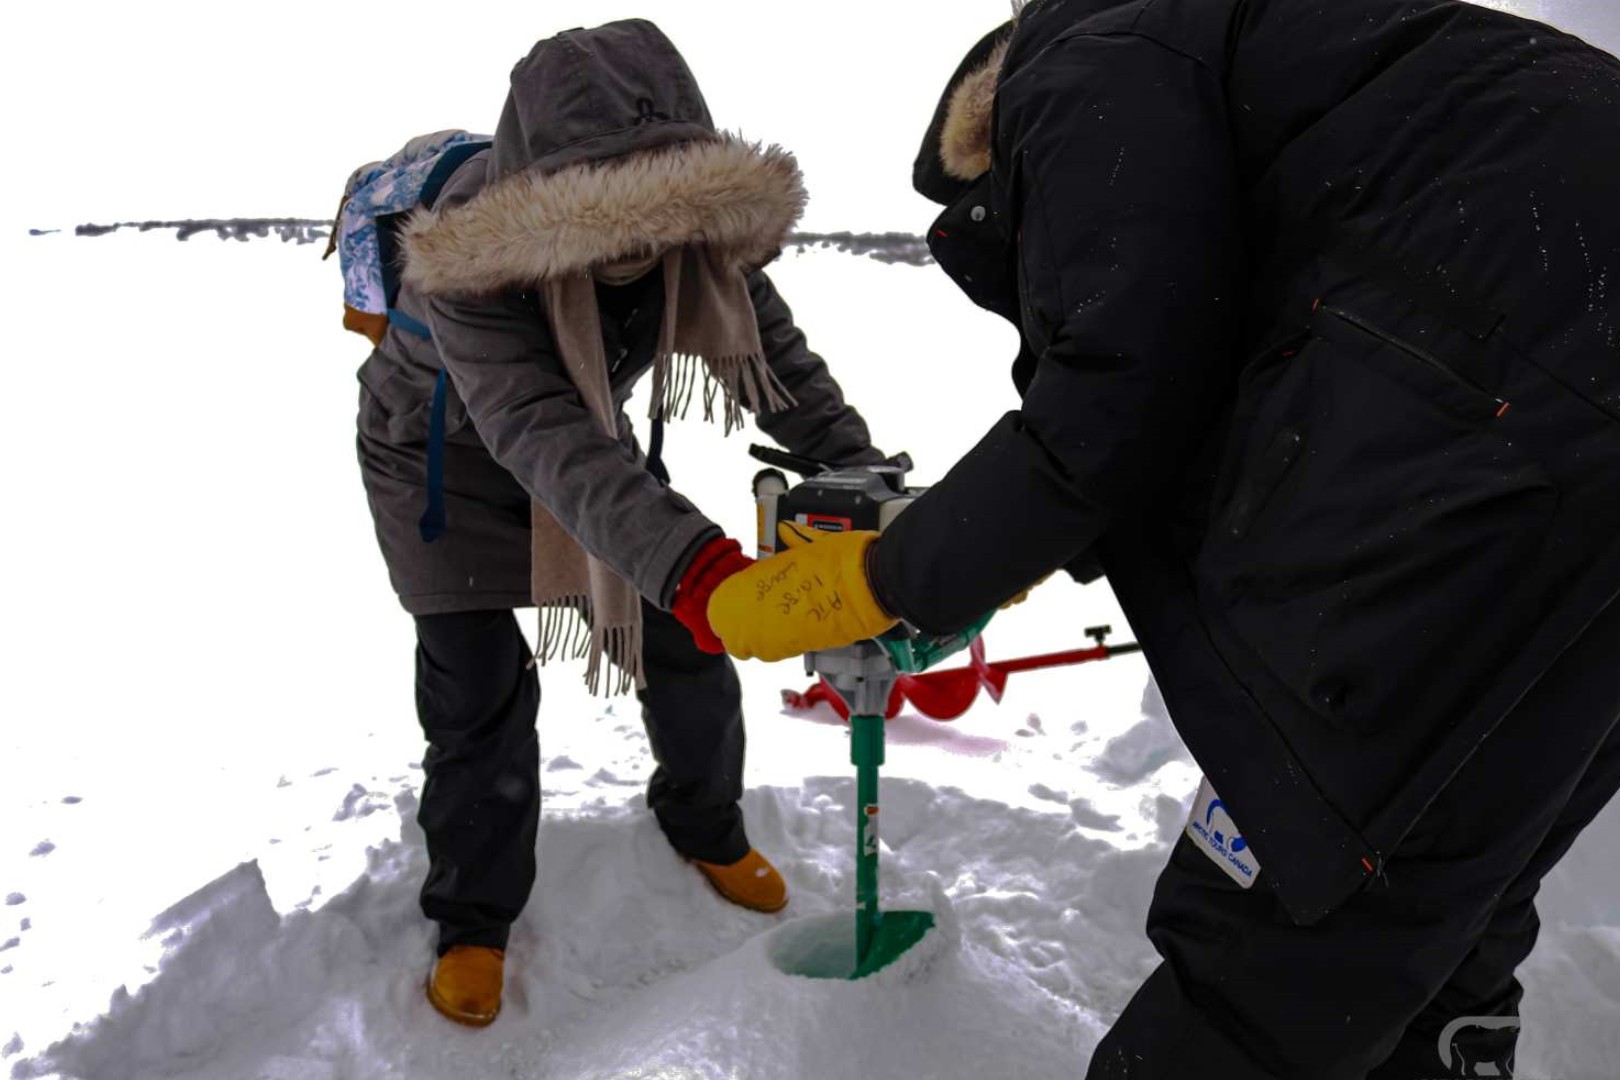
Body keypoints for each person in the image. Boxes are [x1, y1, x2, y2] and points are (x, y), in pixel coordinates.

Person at [707, 1, 1620, 1075]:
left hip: (1491, 443)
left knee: (1279, 919)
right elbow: (1196, 373)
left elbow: (1121, 383)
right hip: (1554, 436)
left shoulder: (1084, 58)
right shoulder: (1271, 63)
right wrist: (1010, 546)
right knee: (1446, 889)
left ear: (988, 153)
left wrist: (886, 575)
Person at [354, 19, 883, 1027]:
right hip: (439, 464)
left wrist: (860, 476)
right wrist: (703, 568)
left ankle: (706, 822)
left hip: (586, 440)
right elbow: (537, 428)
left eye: (666, 206)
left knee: (687, 642)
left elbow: (781, 370)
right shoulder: (466, 263)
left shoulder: (698, 236)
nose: (645, 241)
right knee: (477, 693)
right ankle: (473, 917)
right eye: (615, 216)